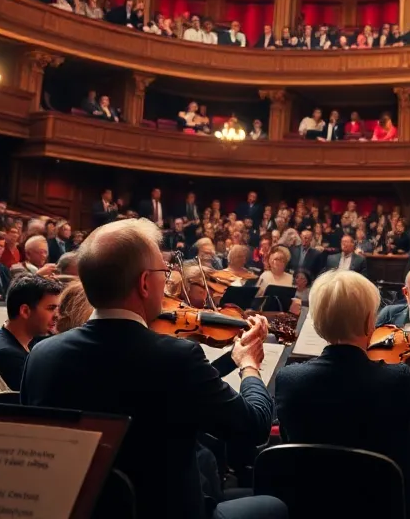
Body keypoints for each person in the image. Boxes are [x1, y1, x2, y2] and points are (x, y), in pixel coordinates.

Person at [21, 219, 286, 519]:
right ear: (145, 283)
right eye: (164, 272)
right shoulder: (177, 357)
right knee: (273, 507)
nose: (166, 281)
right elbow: (253, 426)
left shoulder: (41, 355)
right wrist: (249, 364)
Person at [276, 270, 410, 519]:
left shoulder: (288, 380)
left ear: (317, 324)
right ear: (368, 323)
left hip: (313, 507)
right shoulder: (394, 379)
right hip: (388, 507)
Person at [0, 275, 62, 390]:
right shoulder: (8, 356)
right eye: (51, 308)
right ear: (25, 311)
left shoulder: (29, 341)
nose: (57, 315)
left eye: (57, 309)